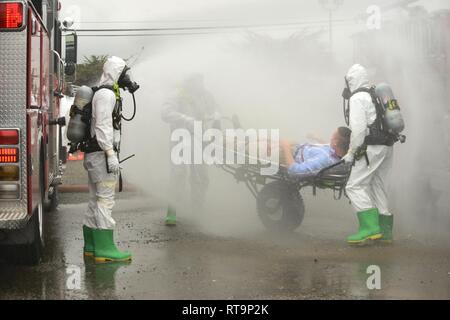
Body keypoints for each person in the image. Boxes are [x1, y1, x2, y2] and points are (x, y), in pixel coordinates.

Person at [82, 56, 134, 263]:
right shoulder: (106, 95)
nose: (127, 77)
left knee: (95, 199)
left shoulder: (104, 93)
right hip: (101, 155)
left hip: (95, 155)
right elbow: (103, 126)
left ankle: (91, 245)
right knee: (105, 199)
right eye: (124, 73)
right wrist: (110, 153)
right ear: (116, 73)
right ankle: (105, 249)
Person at [341, 64, 394, 245]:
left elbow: (358, 131)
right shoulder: (374, 94)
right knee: (378, 185)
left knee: (354, 186)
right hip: (387, 146)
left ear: (351, 80)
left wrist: (351, 153)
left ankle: (369, 228)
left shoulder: (357, 98)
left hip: (372, 148)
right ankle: (385, 231)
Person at [161, 73, 220, 226]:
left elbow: (215, 109)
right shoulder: (176, 95)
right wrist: (187, 119)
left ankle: (197, 210)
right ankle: (172, 211)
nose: (200, 84)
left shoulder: (206, 95)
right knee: (178, 174)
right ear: (188, 81)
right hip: (180, 139)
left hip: (201, 139)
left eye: (201, 80)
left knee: (201, 175)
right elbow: (166, 113)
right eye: (197, 81)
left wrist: (216, 117)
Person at [280, 127, 352, 178]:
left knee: (271, 144)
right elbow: (329, 146)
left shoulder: (324, 160)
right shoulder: (340, 153)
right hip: (298, 147)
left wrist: (286, 147)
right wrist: (317, 138)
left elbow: (294, 171)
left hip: (292, 155)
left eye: (333, 136)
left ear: (336, 142)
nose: (331, 138)